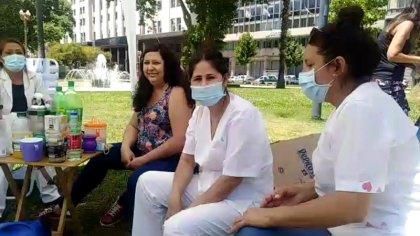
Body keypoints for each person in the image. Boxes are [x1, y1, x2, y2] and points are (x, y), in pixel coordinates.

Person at [231, 6, 420, 236]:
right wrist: (308, 190)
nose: (304, 73)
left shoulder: (363, 111)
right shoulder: (354, 106)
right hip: (358, 224)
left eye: (310, 65)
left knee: (253, 232)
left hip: (381, 229)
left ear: (337, 67)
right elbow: (360, 176)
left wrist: (270, 216)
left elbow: (353, 207)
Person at [39, 44, 194, 227]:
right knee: (99, 157)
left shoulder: (176, 92)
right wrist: (126, 147)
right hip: (142, 149)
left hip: (170, 157)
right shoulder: (146, 90)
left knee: (139, 179)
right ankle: (66, 205)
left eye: (156, 63)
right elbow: (133, 125)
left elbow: (179, 141)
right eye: (146, 63)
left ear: (167, 65)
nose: (150, 67)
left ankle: (123, 203)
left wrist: (143, 161)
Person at [131, 45, 273, 236]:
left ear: (225, 79)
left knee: (177, 226)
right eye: (197, 79)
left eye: (211, 77)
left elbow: (231, 180)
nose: (204, 84)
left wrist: (189, 210)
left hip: (240, 200)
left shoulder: (242, 115)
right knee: (147, 183)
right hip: (206, 186)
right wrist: (175, 198)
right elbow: (187, 160)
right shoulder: (200, 112)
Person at [0, 38, 60, 220]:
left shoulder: (35, 78)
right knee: (1, 168)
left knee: (42, 153)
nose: (14, 56)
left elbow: (48, 103)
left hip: (32, 125)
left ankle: (51, 198)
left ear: (25, 56)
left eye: (18, 52)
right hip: (3, 129)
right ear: (1, 57)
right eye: (8, 53)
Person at [372, 1, 420, 115]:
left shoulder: (400, 22)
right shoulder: (407, 24)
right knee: (399, 127)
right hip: (387, 85)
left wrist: (414, 65)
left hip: (383, 83)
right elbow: (392, 55)